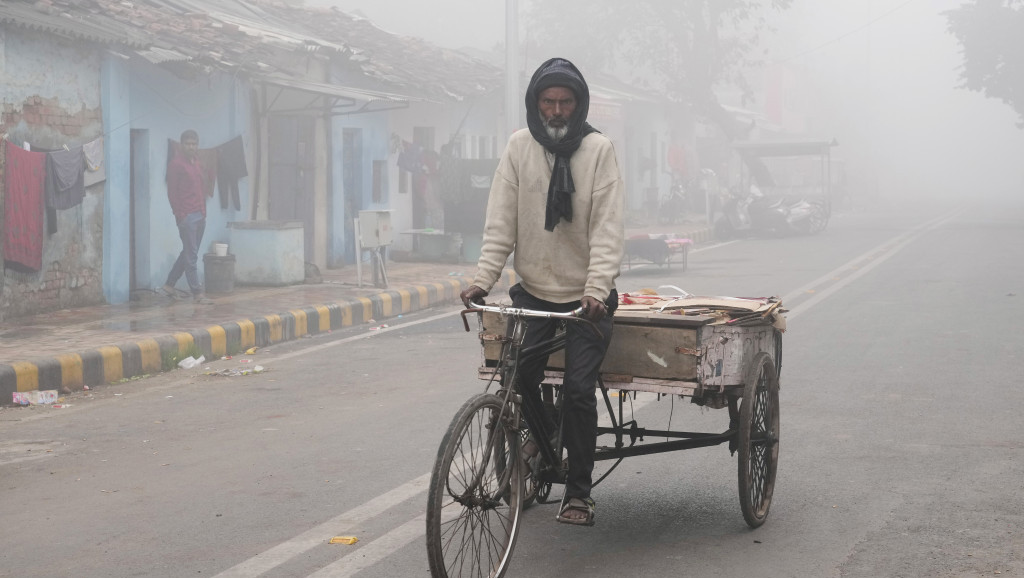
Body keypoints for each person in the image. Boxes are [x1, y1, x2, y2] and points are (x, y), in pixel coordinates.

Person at [459, 57, 624, 526]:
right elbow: (500, 224)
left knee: (577, 390)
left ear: (578, 105)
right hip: (532, 292)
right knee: (518, 374)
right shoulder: (518, 147)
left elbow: (608, 229)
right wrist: (482, 279)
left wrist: (596, 289)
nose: (556, 111)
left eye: (565, 102)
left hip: (586, 300)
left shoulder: (599, 150)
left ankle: (579, 493)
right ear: (536, 104)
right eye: (547, 102)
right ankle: (550, 438)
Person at [162, 129, 212, 304]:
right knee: (191, 256)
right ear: (182, 145)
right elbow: (172, 193)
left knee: (189, 252)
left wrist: (203, 211)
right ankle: (198, 293)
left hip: (200, 214)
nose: (191, 147)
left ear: (197, 145)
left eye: (194, 144)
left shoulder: (196, 163)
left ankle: (169, 284)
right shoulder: (176, 164)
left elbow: (201, 188)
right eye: (188, 144)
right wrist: (180, 215)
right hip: (187, 216)